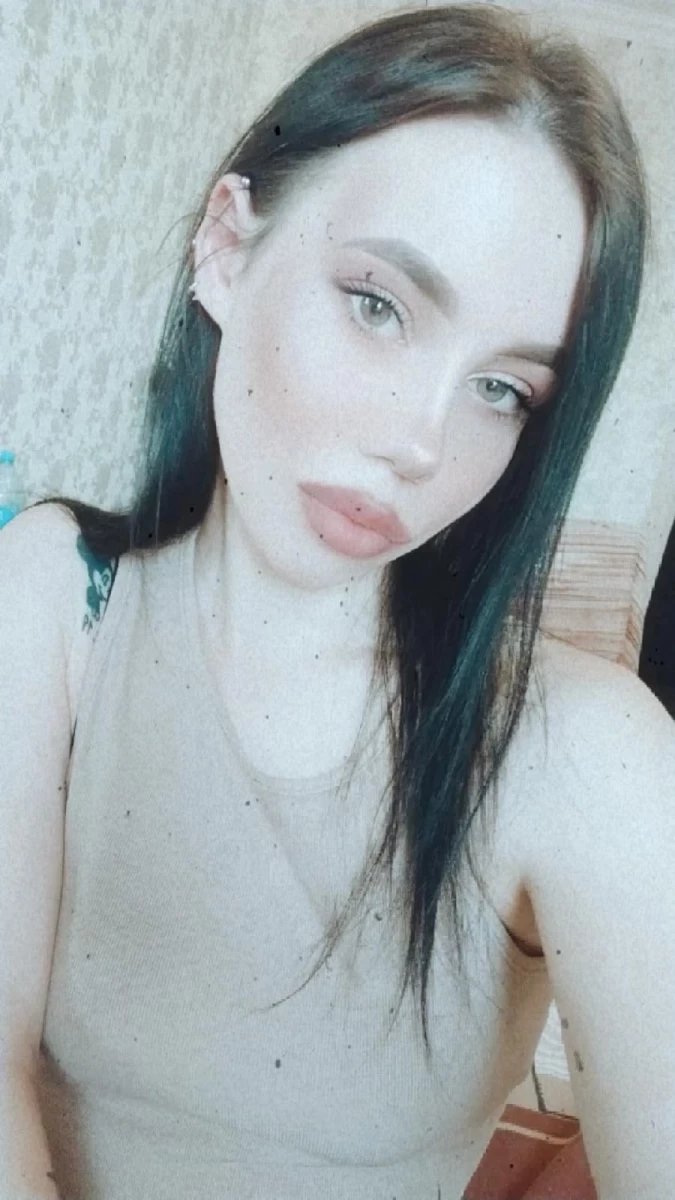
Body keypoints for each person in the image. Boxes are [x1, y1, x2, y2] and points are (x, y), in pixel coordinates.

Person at [2, 4, 674, 1199]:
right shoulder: (61, 596)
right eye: (377, 304)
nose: (422, 442)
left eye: (502, 390)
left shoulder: (583, 756)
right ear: (227, 247)